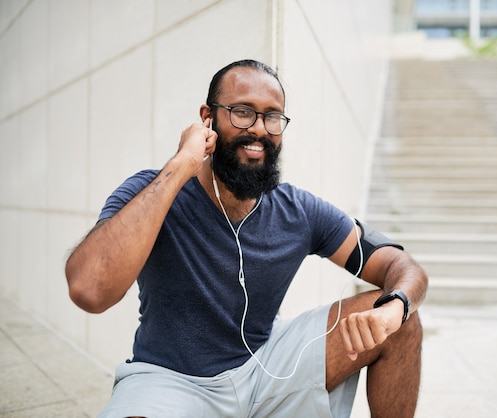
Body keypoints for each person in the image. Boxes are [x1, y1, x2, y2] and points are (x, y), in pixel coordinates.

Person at [65, 59, 428, 418]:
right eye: (242, 112)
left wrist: (395, 307)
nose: (259, 129)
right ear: (208, 118)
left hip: (265, 369)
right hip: (170, 380)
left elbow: (400, 263)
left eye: (272, 117)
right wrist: (182, 163)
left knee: (402, 319)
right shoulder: (153, 190)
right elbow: (90, 289)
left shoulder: (298, 210)